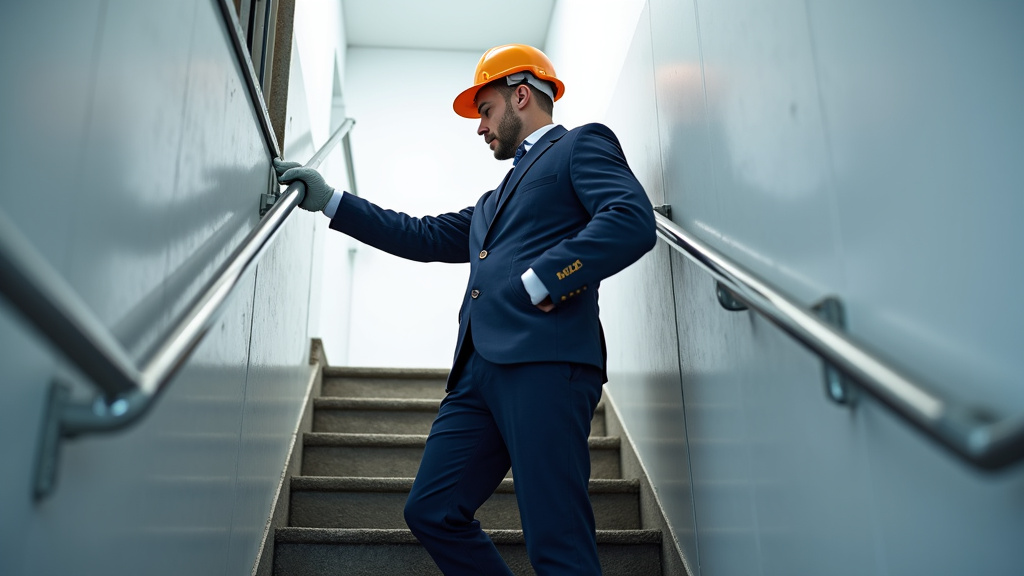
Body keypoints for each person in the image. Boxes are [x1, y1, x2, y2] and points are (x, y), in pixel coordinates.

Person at [274, 44, 656, 575]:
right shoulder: (490, 203)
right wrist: (332, 201)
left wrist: (549, 276)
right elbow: (422, 233)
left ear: (521, 94)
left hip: (545, 362)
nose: (480, 127)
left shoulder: (581, 146)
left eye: (486, 109)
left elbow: (631, 219)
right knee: (431, 509)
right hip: (476, 374)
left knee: (556, 535)